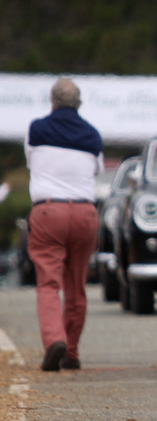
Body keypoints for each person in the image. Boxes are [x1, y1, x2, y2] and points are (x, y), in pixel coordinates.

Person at [24, 78, 103, 371]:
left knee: (48, 282)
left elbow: (32, 163)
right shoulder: (93, 136)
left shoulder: (37, 129)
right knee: (77, 285)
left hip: (48, 211)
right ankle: (71, 350)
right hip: (84, 213)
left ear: (52, 102)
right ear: (79, 104)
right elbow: (94, 171)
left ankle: (54, 339)